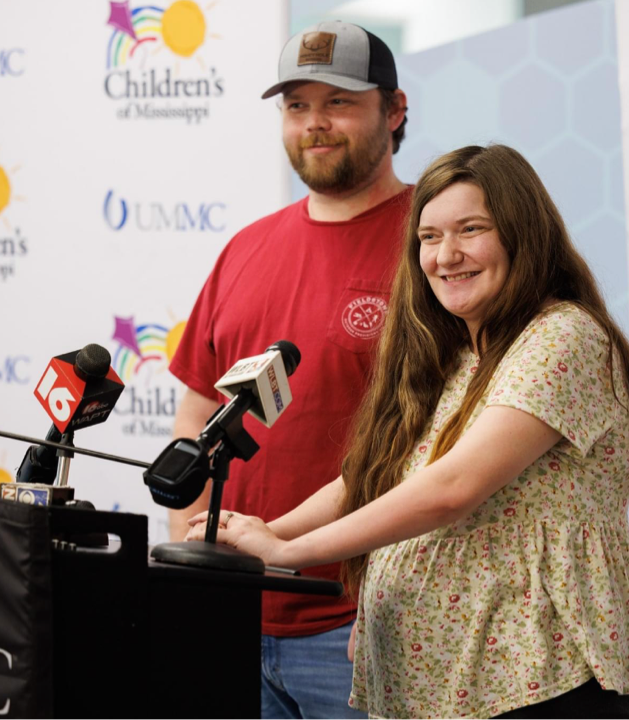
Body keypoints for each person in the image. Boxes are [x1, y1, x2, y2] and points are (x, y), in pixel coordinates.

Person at [188, 144, 629, 719]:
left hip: (536, 686)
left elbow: (451, 488)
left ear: (522, 235)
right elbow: (369, 478)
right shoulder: (460, 353)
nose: (447, 255)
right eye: (429, 237)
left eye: (471, 229)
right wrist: (264, 533)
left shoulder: (564, 339)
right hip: (437, 686)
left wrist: (289, 552)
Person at [167, 20, 409, 719]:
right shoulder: (246, 247)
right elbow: (195, 410)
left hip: (364, 626)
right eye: (297, 105)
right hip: (227, 616)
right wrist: (191, 541)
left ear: (394, 112)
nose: (315, 124)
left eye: (337, 102)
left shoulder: (438, 243)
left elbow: (440, 443)